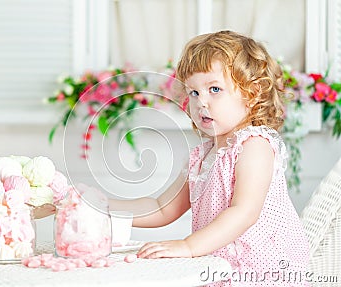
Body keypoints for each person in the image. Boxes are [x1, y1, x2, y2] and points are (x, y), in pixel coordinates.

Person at [109, 30, 310, 286]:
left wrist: (189, 246)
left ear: (253, 93)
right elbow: (163, 207)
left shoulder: (254, 146)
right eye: (193, 92)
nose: (201, 101)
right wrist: (102, 208)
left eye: (214, 89)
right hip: (220, 271)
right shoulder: (202, 155)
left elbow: (244, 212)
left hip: (261, 275)